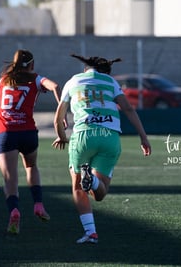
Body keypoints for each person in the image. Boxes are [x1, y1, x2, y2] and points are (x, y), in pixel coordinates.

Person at [52, 54, 151, 244]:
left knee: (78, 187)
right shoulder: (111, 82)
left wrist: (62, 137)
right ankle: (94, 182)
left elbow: (59, 116)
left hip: (83, 136)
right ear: (105, 71)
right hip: (109, 137)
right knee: (100, 194)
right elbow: (129, 109)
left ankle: (91, 233)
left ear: (86, 68)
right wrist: (143, 137)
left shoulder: (73, 81)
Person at [0, 49, 64, 234]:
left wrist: (2, 111)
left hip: (6, 133)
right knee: (31, 167)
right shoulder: (36, 79)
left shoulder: (3, 80)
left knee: (10, 178)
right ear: (32, 64)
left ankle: (15, 211)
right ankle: (38, 204)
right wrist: (61, 111)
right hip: (28, 132)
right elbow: (55, 86)